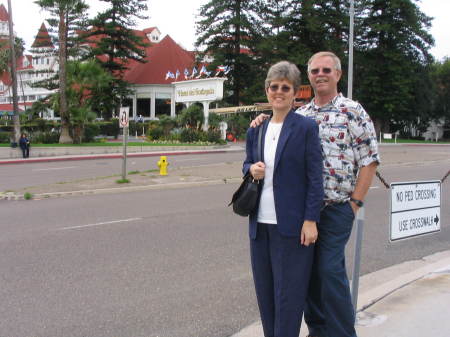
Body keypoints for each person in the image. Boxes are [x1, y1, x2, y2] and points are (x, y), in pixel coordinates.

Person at [251, 51, 380, 337]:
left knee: (328, 272)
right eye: (315, 70)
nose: (320, 74)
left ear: (338, 74)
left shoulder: (352, 110)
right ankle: (319, 331)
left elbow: (369, 160)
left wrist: (354, 204)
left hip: (336, 209)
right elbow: (278, 129)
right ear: (308, 77)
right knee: (305, 277)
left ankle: (342, 333)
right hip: (301, 212)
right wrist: (261, 120)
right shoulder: (302, 114)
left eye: (326, 70)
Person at [244, 61, 324, 337]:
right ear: (267, 90)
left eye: (285, 88)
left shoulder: (305, 128)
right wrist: (251, 169)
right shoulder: (256, 128)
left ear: (295, 93)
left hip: (291, 229)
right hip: (259, 227)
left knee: (289, 299)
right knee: (266, 298)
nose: (278, 92)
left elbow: (316, 177)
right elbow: (246, 166)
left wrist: (311, 220)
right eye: (274, 87)